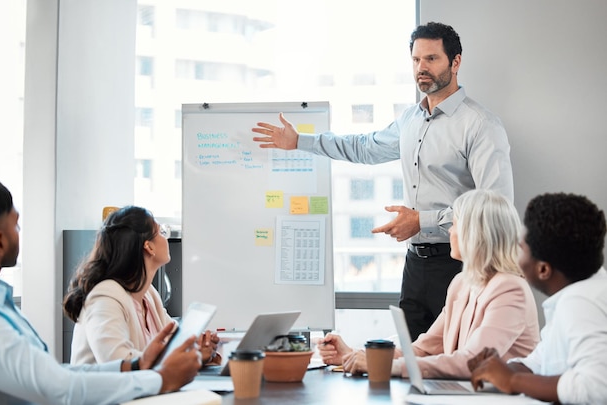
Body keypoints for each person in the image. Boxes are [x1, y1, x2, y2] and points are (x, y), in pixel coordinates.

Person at [251, 22, 514, 340]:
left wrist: (422, 221)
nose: (421, 68)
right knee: (413, 361)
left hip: (462, 263)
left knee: (458, 363)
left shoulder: (481, 125)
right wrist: (300, 142)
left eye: (432, 59)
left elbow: (496, 207)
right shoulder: (410, 120)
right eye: (416, 60)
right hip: (415, 265)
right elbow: (364, 147)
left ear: (455, 62)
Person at [0, 177, 202, 404]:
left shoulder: (0, 306)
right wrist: (160, 378)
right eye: (16, 224)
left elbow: (59, 374)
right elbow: (60, 389)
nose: (20, 231)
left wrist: (136, 366)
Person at [318, 189, 539, 379]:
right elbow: (424, 349)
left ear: (475, 235)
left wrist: (387, 367)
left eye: (455, 225)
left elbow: (474, 361)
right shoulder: (461, 284)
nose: (450, 232)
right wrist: (353, 355)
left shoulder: (510, 289)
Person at [468, 193, 607, 404]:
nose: (516, 255)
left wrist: (514, 380)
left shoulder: (580, 303)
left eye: (521, 248)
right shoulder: (580, 291)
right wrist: (500, 369)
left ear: (543, 269)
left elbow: (596, 387)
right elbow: (542, 361)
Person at [63, 206, 222, 367]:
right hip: (109, 391)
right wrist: (185, 357)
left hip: (144, 390)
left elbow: (175, 342)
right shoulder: (105, 297)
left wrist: (197, 348)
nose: (165, 238)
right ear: (149, 247)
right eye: (161, 232)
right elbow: (118, 363)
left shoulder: (148, 294)